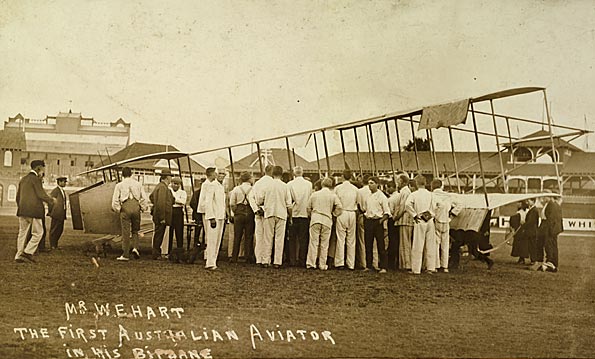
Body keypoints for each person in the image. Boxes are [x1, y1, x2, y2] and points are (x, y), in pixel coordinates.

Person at [14, 160, 55, 263]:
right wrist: (51, 200)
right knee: (38, 233)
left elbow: (17, 197)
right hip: (34, 211)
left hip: (22, 211)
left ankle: (18, 255)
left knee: (22, 233)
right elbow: (41, 194)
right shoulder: (36, 179)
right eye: (43, 168)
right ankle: (28, 252)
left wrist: (22, 207)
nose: (43, 170)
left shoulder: (23, 179)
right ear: (38, 168)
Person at [111, 167, 149, 261]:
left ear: (122, 175)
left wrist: (119, 209)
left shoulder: (119, 185)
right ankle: (135, 248)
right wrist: (142, 208)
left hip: (125, 207)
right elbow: (144, 198)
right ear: (131, 174)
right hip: (136, 206)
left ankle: (125, 254)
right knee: (135, 230)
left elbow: (115, 200)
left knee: (126, 232)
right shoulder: (138, 184)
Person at [259, 165, 292, 268]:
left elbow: (260, 200)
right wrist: (290, 216)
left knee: (267, 237)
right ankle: (277, 261)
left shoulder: (267, 186)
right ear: (281, 174)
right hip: (281, 214)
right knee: (279, 238)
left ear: (272, 174)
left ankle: (265, 260)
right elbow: (289, 204)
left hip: (269, 213)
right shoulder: (285, 186)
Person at [306, 177, 342, 270]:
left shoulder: (314, 194)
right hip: (327, 219)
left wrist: (311, 216)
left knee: (313, 242)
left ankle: (311, 263)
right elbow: (339, 207)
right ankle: (322, 264)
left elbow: (308, 208)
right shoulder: (333, 195)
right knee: (324, 244)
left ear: (322, 184)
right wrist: (334, 214)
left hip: (315, 218)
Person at [405, 175, 436, 275]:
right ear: (425, 183)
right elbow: (435, 206)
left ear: (416, 183)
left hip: (419, 220)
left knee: (418, 244)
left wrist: (414, 214)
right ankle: (431, 267)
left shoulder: (414, 194)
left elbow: (407, 205)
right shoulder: (431, 194)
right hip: (429, 220)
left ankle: (416, 269)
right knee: (430, 244)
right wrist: (431, 214)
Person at [431, 179, 462, 273]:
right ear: (441, 186)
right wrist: (452, 215)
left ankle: (436, 265)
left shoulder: (432, 195)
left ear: (432, 187)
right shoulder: (449, 196)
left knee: (436, 244)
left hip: (436, 220)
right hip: (446, 221)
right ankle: (445, 266)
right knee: (445, 244)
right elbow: (460, 204)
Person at [198, 167, 226, 270]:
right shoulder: (210, 185)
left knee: (217, 240)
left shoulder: (219, 186)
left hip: (220, 216)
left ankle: (213, 260)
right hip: (213, 216)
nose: (220, 175)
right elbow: (208, 202)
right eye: (218, 173)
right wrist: (211, 217)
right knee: (212, 239)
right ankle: (210, 262)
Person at [249, 165, 274, 266]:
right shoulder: (272, 183)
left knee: (259, 235)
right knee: (268, 236)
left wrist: (256, 209)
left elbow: (251, 197)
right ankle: (266, 259)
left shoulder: (258, 183)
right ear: (272, 172)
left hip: (258, 211)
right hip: (268, 211)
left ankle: (258, 258)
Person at [363, 176, 390, 273]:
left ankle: (383, 266)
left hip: (377, 221)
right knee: (368, 244)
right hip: (369, 220)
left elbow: (387, 213)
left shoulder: (382, 196)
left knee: (380, 245)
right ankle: (369, 265)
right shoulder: (368, 196)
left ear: (377, 184)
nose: (369, 185)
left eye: (372, 183)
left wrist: (380, 221)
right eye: (369, 183)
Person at [287, 166, 312, 266]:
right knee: (303, 239)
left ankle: (292, 260)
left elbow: (289, 201)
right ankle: (302, 260)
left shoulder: (289, 184)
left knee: (292, 239)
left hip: (294, 213)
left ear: (293, 173)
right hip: (304, 213)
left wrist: (289, 216)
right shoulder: (309, 184)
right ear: (302, 173)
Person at [334, 170, 358, 270]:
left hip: (342, 212)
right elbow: (358, 202)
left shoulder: (338, 188)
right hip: (352, 212)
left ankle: (340, 263)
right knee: (351, 239)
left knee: (341, 238)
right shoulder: (355, 189)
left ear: (343, 176)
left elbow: (335, 202)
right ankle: (351, 263)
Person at [229, 172, 255, 263]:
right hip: (250, 212)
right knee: (249, 236)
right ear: (249, 179)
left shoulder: (236, 189)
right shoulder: (253, 189)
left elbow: (232, 203)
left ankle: (234, 257)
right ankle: (248, 256)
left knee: (237, 236)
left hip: (239, 213)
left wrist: (235, 212)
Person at [391, 173, 414, 271]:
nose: (397, 183)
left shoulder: (405, 192)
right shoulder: (404, 191)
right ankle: (404, 263)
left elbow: (403, 207)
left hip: (405, 220)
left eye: (398, 181)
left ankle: (406, 264)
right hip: (404, 220)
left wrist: (396, 217)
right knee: (404, 243)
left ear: (402, 182)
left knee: (405, 243)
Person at [149, 169, 174, 259]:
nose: (171, 178)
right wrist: (162, 217)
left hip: (158, 214)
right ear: (167, 177)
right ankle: (156, 253)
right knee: (159, 235)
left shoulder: (159, 186)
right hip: (161, 216)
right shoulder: (163, 187)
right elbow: (161, 203)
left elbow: (151, 197)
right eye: (170, 176)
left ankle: (156, 252)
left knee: (158, 234)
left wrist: (155, 204)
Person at [541, 194, 563, 272]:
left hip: (549, 229)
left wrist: (549, 230)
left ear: (549, 197)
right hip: (550, 228)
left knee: (549, 245)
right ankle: (552, 262)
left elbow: (551, 218)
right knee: (551, 245)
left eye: (544, 197)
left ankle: (550, 262)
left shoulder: (551, 205)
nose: (543, 198)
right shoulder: (550, 205)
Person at [48, 176, 68, 250]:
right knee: (54, 230)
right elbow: (50, 201)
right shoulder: (55, 191)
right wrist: (51, 212)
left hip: (61, 214)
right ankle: (52, 245)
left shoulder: (62, 191)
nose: (65, 183)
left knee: (60, 229)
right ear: (59, 182)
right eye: (64, 181)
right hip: (56, 214)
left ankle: (55, 244)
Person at [168, 177, 187, 256]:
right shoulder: (169, 191)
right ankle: (168, 251)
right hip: (171, 211)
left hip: (179, 212)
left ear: (179, 185)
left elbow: (183, 202)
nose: (175, 185)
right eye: (174, 184)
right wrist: (176, 200)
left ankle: (180, 251)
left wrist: (173, 199)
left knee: (179, 232)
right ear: (171, 183)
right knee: (169, 232)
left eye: (177, 184)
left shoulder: (183, 192)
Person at [384, 181, 399, 270]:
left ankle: (391, 262)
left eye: (388, 188)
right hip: (398, 220)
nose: (387, 190)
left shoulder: (391, 199)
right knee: (396, 241)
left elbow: (390, 211)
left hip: (392, 219)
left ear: (392, 188)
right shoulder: (399, 196)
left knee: (392, 241)